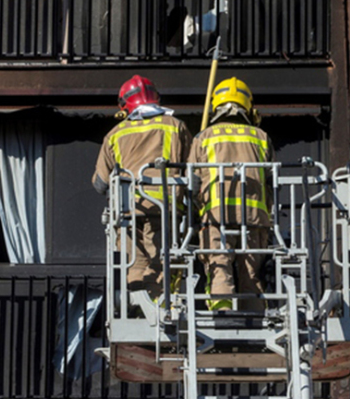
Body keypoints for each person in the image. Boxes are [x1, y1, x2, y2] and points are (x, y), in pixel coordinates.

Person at [93, 75, 193, 304]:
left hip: (128, 215)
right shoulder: (175, 126)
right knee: (161, 268)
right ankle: (158, 318)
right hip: (165, 212)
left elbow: (100, 183)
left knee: (134, 269)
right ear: (156, 98)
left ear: (124, 104)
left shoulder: (115, 134)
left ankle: (139, 317)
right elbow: (193, 168)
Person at [189, 77, 272, 312]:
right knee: (251, 271)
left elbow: (192, 181)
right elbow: (271, 182)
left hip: (217, 215)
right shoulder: (261, 136)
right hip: (254, 217)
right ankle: (253, 313)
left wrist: (197, 211)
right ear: (247, 105)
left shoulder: (204, 138)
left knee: (218, 265)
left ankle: (222, 310)